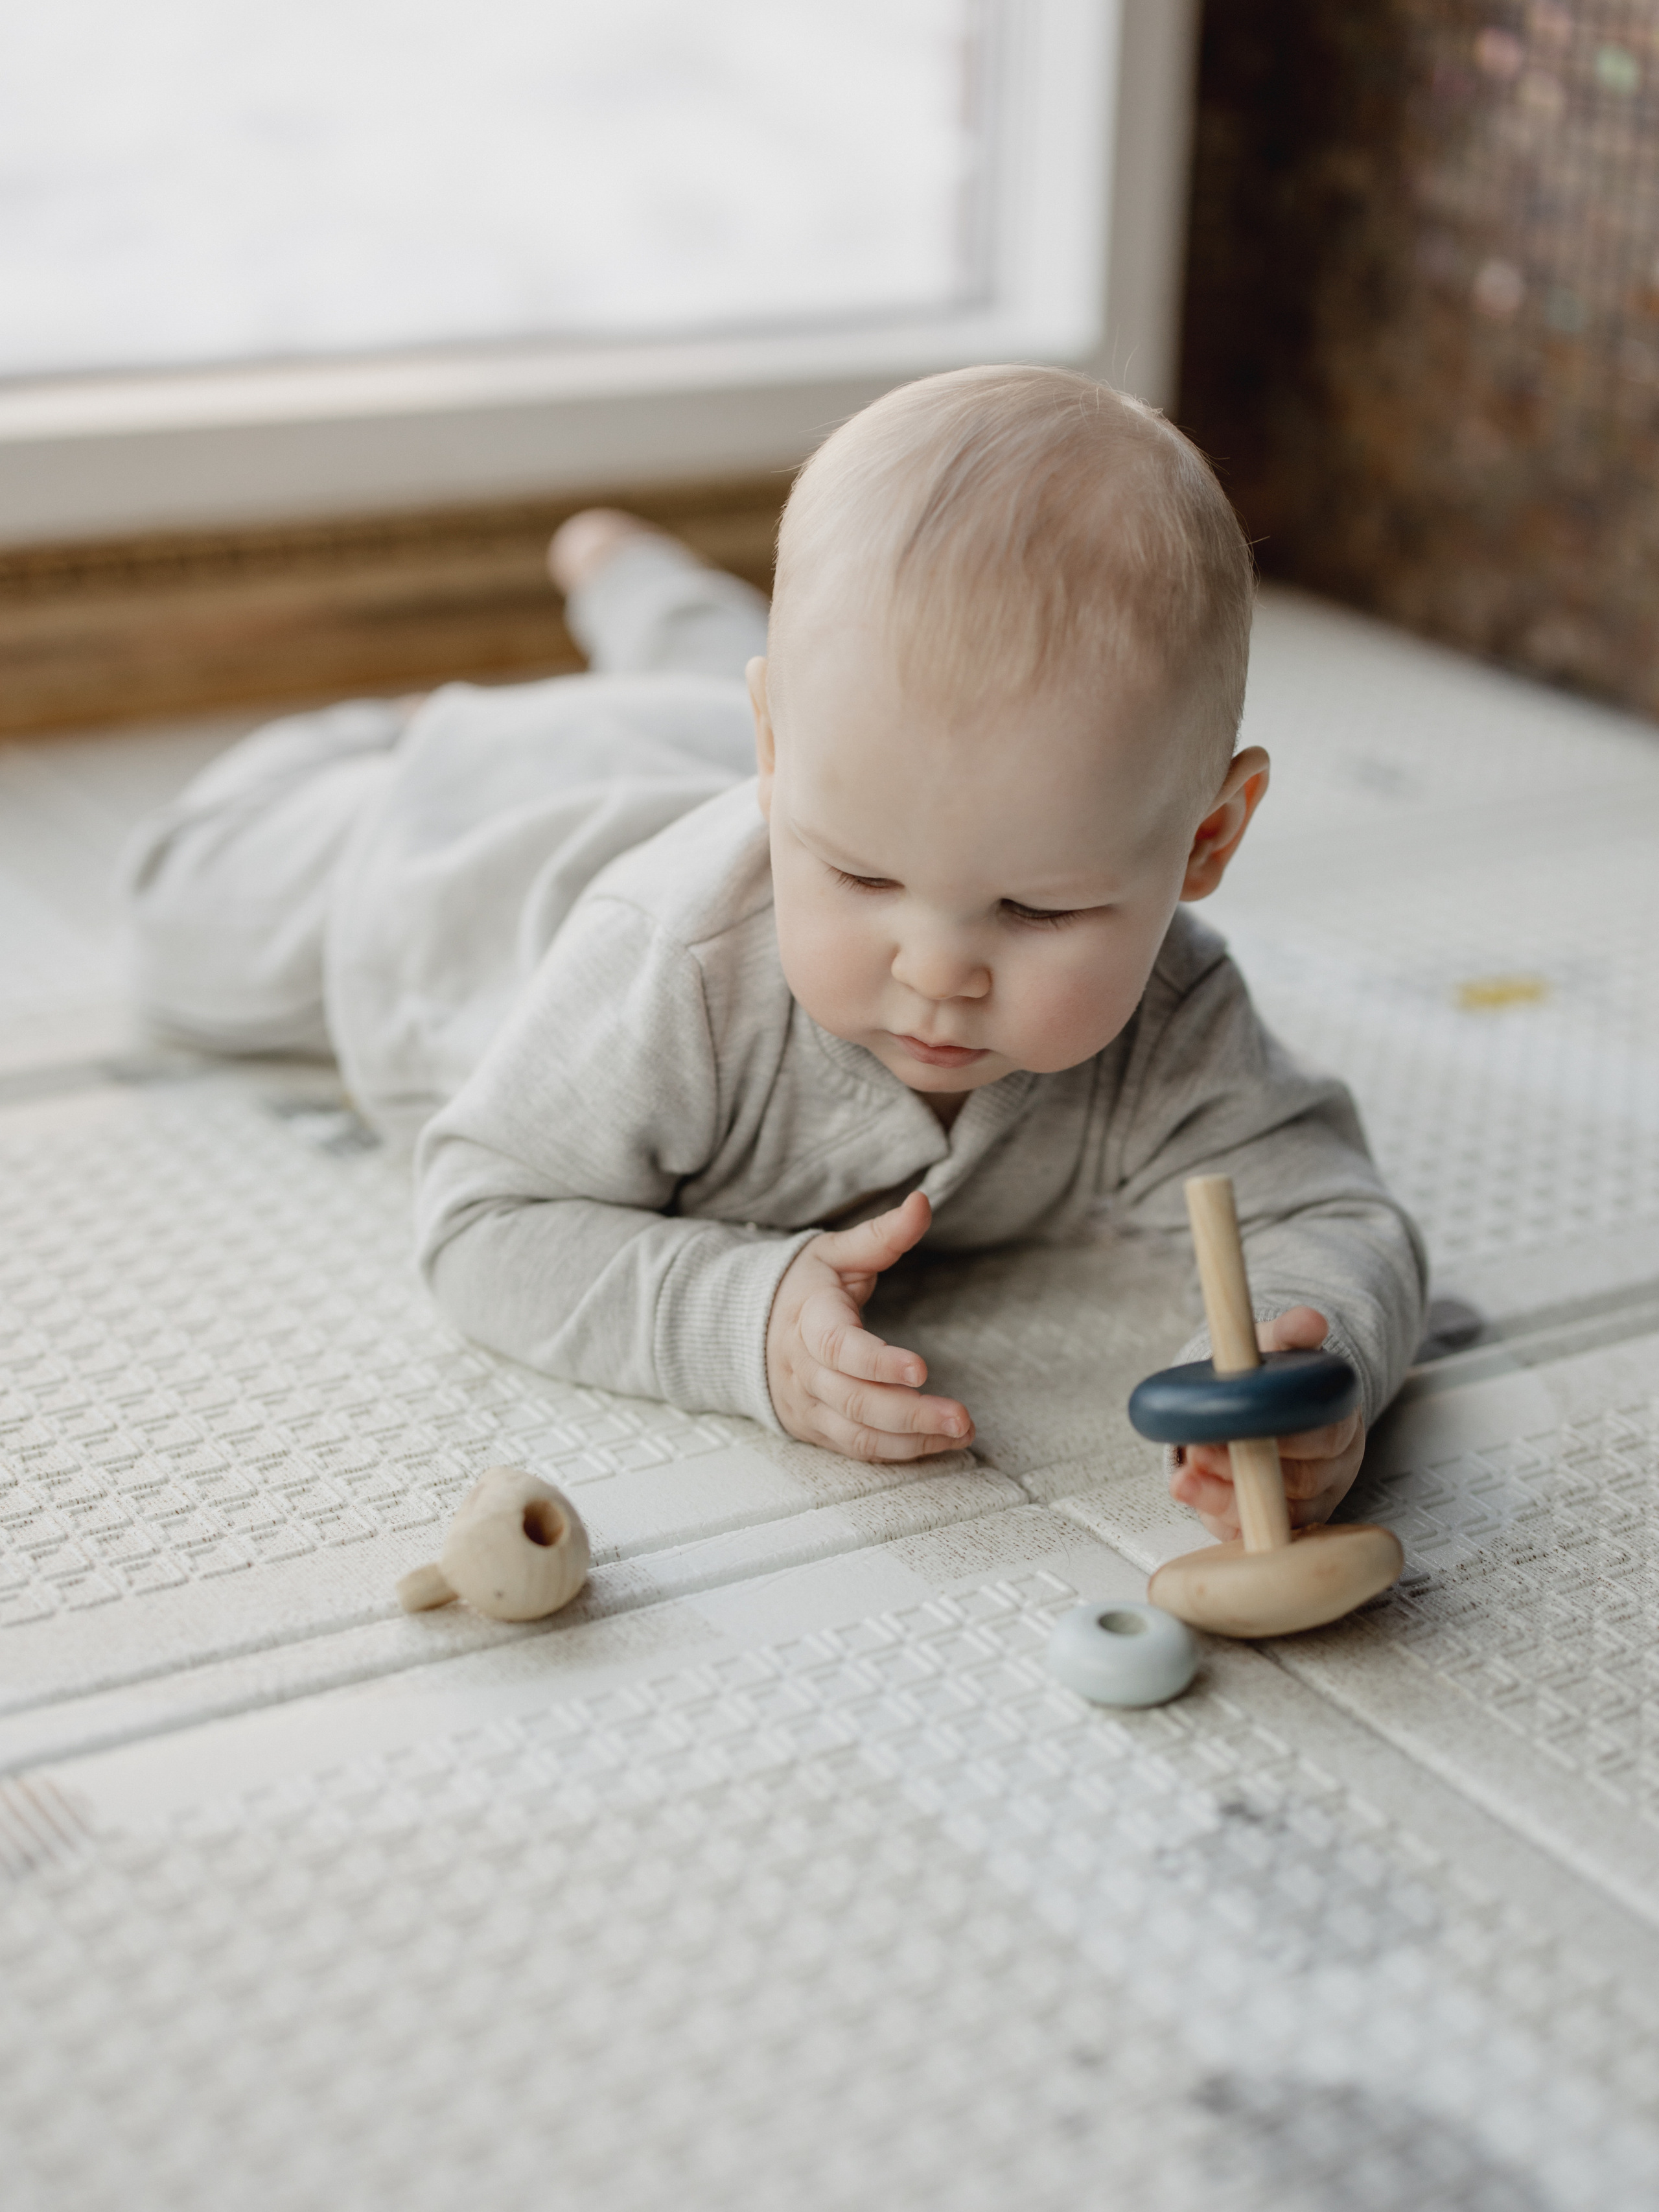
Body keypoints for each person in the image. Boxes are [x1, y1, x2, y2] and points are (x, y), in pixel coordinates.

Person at [121, 366, 1428, 1541]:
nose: (936, 970)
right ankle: (406, 722)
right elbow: (480, 1219)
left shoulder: (1173, 1014)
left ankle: (654, 601)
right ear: (780, 761)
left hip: (735, 749)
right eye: (861, 879)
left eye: (1035, 911)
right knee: (180, 919)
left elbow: (1329, 1211)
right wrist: (736, 1317)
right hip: (464, 847)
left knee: (718, 694)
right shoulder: (673, 970)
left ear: (1204, 839)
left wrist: (1317, 1363)